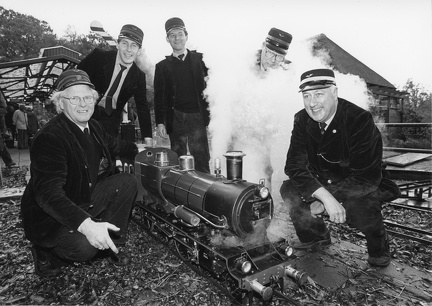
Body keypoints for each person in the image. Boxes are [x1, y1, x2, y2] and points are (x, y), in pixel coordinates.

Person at [21, 69, 139, 277]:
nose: (83, 103)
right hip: (51, 214)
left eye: (87, 97)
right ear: (60, 103)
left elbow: (115, 145)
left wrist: (142, 150)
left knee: (126, 182)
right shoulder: (50, 138)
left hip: (83, 194)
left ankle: (113, 242)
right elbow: (47, 194)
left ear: (94, 100)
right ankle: (46, 251)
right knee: (85, 247)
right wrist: (86, 225)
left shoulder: (93, 126)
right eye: (74, 98)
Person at [280, 68, 400, 267]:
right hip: (321, 180)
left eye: (319, 94)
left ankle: (379, 246)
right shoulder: (301, 119)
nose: (312, 103)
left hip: (358, 182)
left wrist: (328, 200)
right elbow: (293, 165)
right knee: (289, 189)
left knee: (362, 208)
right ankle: (316, 235)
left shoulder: (359, 120)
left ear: (334, 93)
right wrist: (324, 197)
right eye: (306, 95)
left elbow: (366, 177)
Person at [154, 17, 210, 173]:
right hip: (175, 117)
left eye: (180, 34)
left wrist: (213, 117)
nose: (177, 38)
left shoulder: (202, 60)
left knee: (202, 158)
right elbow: (159, 97)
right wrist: (160, 122)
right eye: (172, 35)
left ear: (186, 36)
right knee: (177, 158)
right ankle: (178, 194)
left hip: (197, 116)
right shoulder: (162, 66)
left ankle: (205, 193)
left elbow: (213, 87)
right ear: (167, 39)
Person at [77, 24, 152, 141]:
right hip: (85, 111)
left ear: (139, 51)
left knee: (109, 155)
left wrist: (148, 137)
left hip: (111, 120)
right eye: (124, 43)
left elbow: (142, 107)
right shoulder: (98, 57)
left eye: (134, 45)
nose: (128, 49)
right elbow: (75, 76)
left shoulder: (138, 76)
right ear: (117, 44)